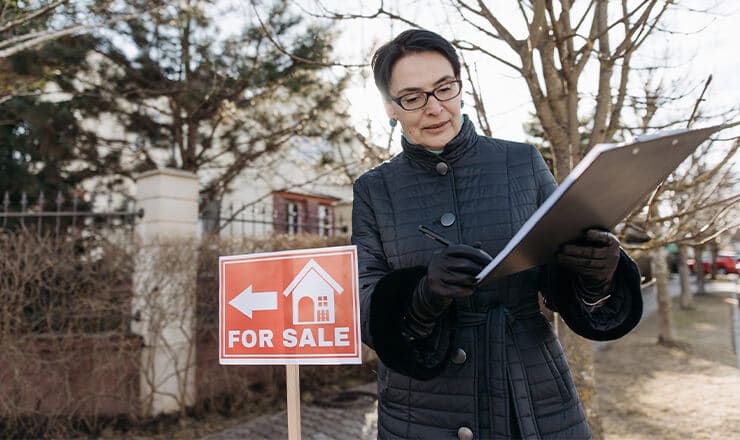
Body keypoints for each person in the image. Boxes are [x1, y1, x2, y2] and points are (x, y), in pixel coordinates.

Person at [351, 29, 643, 440]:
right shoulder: (373, 189)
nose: (434, 109)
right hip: (421, 411)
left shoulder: (522, 162)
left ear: (460, 87)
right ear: (389, 106)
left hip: (530, 396)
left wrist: (598, 273)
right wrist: (419, 297)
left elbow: (558, 285)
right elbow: (361, 299)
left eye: (444, 89)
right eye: (413, 97)